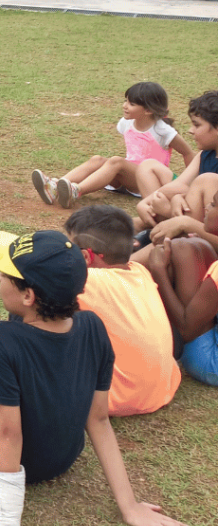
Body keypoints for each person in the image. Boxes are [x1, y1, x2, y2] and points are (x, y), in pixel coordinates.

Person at [0, 228, 192, 526]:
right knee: (16, 346)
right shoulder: (92, 325)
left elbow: (7, 434)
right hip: (59, 460)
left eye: (6, 274)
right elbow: (98, 420)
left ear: (28, 295)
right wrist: (128, 507)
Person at [63, 205, 181, 416]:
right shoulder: (139, 271)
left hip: (113, 400)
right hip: (162, 391)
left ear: (86, 257)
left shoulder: (89, 280)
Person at [31, 81, 192, 209]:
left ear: (148, 110)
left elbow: (187, 152)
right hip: (125, 178)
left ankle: (76, 191)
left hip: (145, 181)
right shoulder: (126, 123)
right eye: (125, 101)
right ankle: (55, 186)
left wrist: (188, 183)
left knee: (116, 161)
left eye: (131, 104)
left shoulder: (163, 131)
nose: (124, 105)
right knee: (98, 159)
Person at [137, 91, 218, 230]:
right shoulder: (205, 154)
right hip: (191, 206)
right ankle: (154, 218)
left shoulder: (208, 180)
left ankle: (163, 225)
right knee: (148, 166)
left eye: (197, 125)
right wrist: (146, 202)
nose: (191, 130)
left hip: (204, 226)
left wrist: (169, 209)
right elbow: (180, 184)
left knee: (204, 181)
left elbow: (211, 213)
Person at [147, 232, 218, 386]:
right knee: (195, 245)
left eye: (213, 206)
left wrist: (158, 272)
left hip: (211, 362)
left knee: (182, 248)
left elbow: (186, 332)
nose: (207, 208)